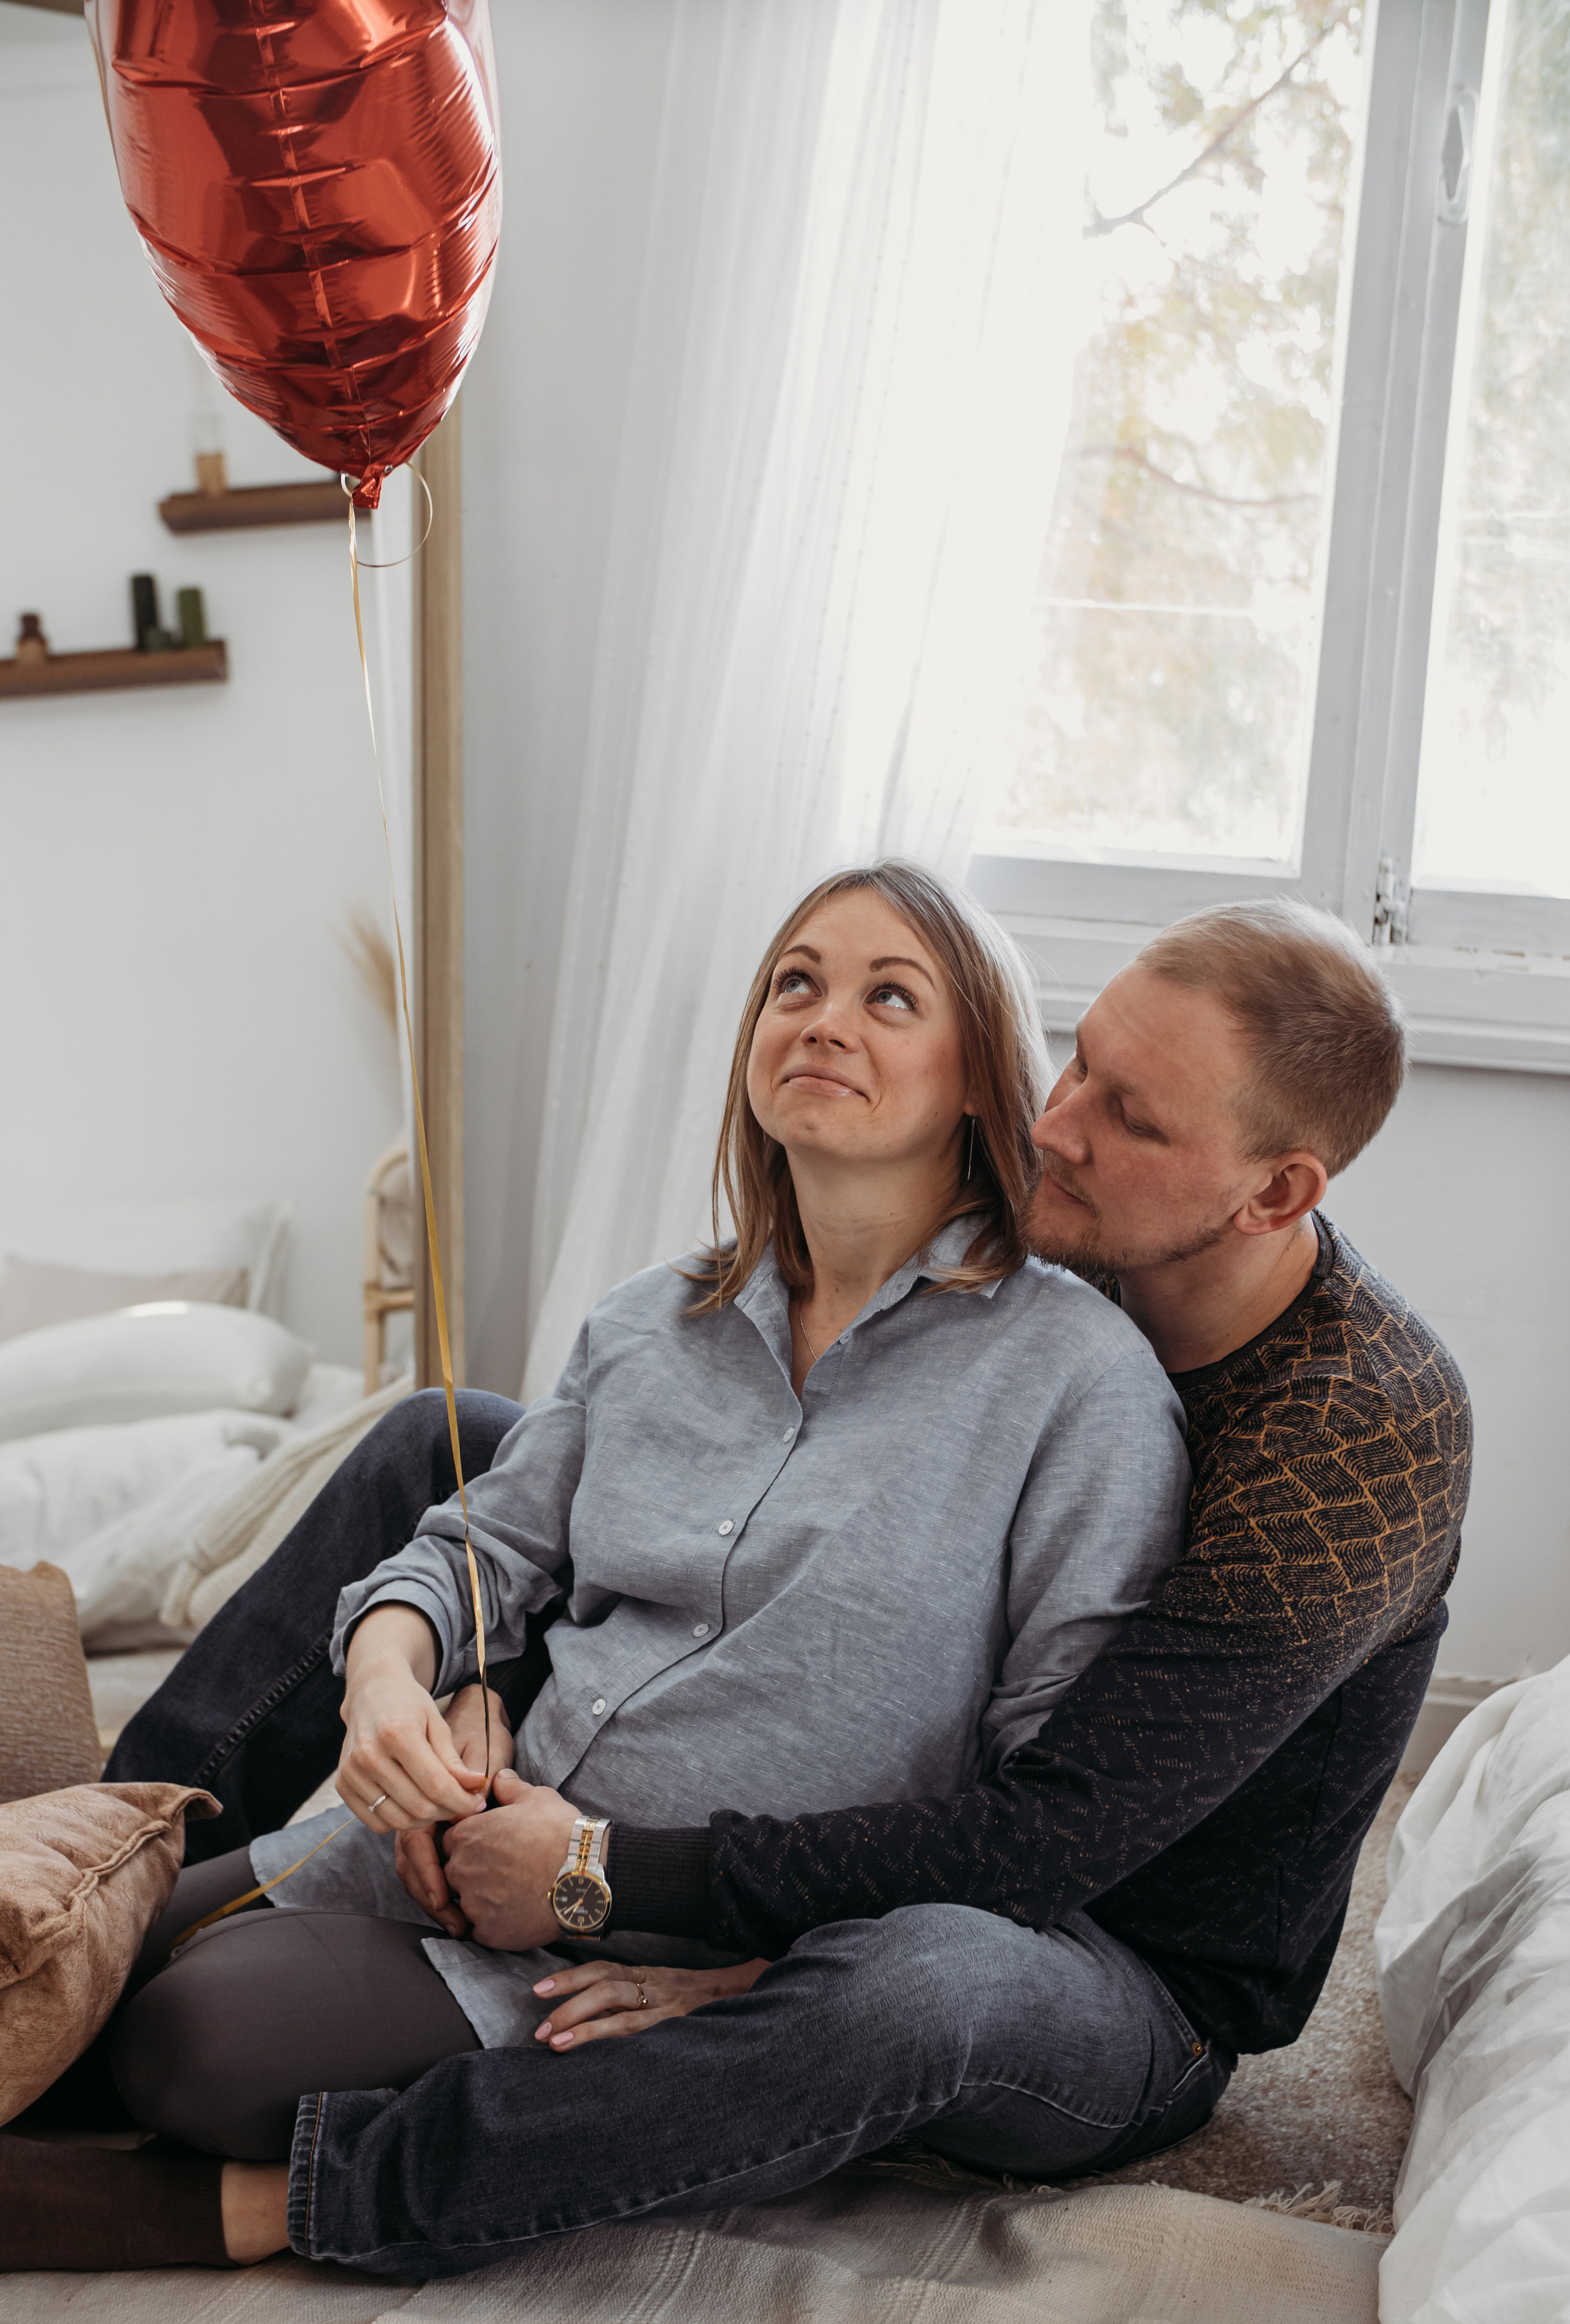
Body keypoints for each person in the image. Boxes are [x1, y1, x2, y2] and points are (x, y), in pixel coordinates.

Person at [6, 859, 1198, 2274]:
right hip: (449, 1846)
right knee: (60, 1957)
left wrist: (773, 1981)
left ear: (980, 1083)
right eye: (796, 981)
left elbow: (1032, 1799)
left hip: (661, 1938)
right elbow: (483, 1543)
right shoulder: (652, 1320)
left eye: (891, 996)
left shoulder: (1077, 1381)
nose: (823, 1018)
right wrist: (390, 1677)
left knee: (184, 2046)